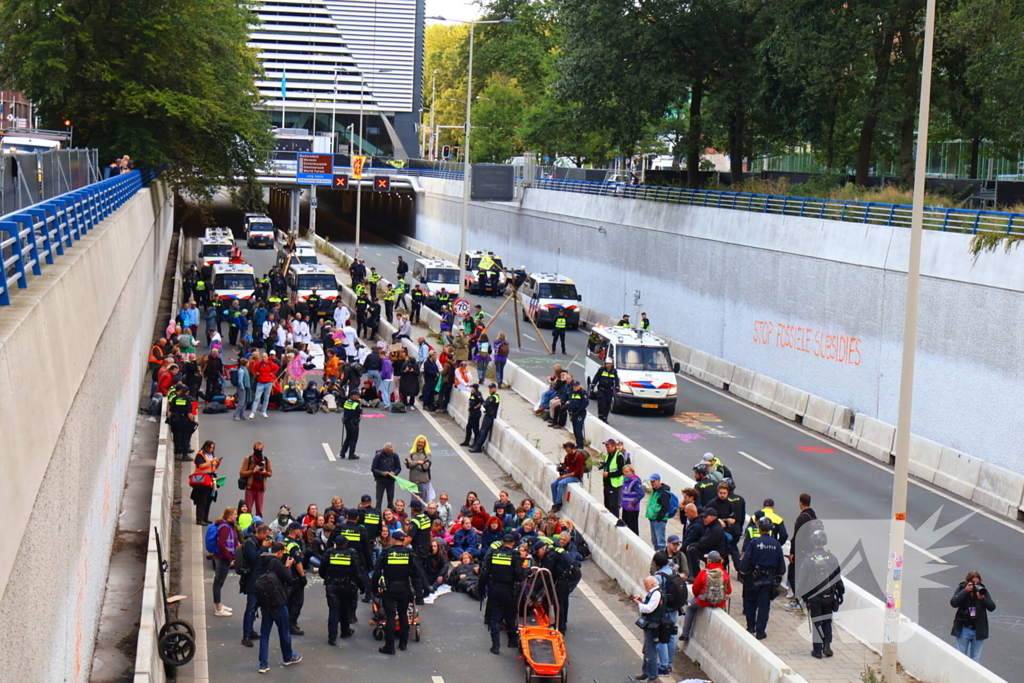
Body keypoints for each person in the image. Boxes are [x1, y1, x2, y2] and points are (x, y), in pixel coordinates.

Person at [372, 530, 427, 654]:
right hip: (404, 588)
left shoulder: (386, 553)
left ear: (393, 539)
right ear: (403, 540)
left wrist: (374, 589)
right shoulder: (408, 554)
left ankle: (389, 646)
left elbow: (376, 573)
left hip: (390, 588)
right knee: (403, 615)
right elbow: (418, 573)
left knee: (390, 616)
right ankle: (403, 643)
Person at [255, 542, 303, 673]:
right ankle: (288, 657)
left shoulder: (262, 560)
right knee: (284, 631)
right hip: (277, 602)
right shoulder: (275, 562)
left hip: (264, 602)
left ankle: (263, 664)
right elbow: (288, 578)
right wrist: (287, 566)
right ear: (280, 552)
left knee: (265, 634)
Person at [798, 529, 846, 658]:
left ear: (813, 542)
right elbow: (838, 578)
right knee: (827, 620)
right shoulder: (832, 558)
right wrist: (840, 593)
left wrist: (802, 597)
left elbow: (802, 580)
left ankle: (817, 650)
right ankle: (827, 646)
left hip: (814, 598)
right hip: (829, 596)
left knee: (817, 622)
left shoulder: (809, 559)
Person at [739, 517, 785, 640]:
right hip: (768, 579)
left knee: (750, 602)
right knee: (764, 606)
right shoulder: (776, 544)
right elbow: (781, 565)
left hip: (753, 577)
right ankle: (760, 631)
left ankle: (750, 626)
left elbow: (746, 559)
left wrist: (742, 572)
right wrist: (778, 577)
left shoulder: (754, 542)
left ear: (759, 528)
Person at [480, 534, 526, 654]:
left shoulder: (493, 554)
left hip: (494, 588)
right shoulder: (515, 556)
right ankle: (512, 641)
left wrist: (480, 590)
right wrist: (527, 572)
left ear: (502, 543)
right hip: (509, 589)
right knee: (510, 615)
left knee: (495, 617)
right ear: (513, 544)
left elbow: (484, 572)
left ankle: (495, 645)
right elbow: (519, 576)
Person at [320, 533, 368, 646]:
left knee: (333, 610)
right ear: (346, 543)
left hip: (332, 585)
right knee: (345, 609)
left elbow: (322, 569)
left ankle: (332, 637)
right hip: (347, 586)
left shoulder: (329, 553)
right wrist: (362, 587)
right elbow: (357, 573)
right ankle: (345, 631)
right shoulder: (351, 554)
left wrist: (327, 578)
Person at [679, 550, 731, 643]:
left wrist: (700, 596)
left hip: (703, 601)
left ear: (710, 561)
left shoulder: (704, 573)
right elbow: (728, 590)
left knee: (690, 608)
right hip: (720, 603)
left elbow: (695, 589)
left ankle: (685, 634)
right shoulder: (724, 574)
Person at [950, 569, 996, 662]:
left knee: (975, 659)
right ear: (968, 582)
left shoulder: (982, 591)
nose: (975, 586)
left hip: (978, 630)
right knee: (960, 657)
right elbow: (954, 603)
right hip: (964, 629)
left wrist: (983, 599)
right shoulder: (962, 589)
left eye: (977, 583)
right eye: (973, 583)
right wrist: (965, 591)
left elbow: (992, 607)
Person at [240, 523, 272, 648]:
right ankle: (246, 635)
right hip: (252, 581)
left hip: (261, 580)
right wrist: (264, 548)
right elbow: (255, 558)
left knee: (257, 608)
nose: (267, 539)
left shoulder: (258, 543)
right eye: (266, 536)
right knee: (251, 608)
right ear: (261, 533)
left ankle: (251, 630)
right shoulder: (250, 543)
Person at [788, 493, 817, 611]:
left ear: (800, 502)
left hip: (801, 552)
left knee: (793, 575)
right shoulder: (813, 517)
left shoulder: (802, 518)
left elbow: (797, 537)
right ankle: (804, 601)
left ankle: (800, 601)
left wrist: (792, 552)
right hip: (810, 550)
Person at [634, 576, 665, 683]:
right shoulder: (654, 593)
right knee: (647, 649)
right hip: (650, 624)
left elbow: (649, 608)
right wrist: (642, 600)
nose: (645, 587)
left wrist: (639, 605)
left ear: (652, 584)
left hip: (653, 625)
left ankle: (652, 676)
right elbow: (650, 604)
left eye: (646, 585)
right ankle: (646, 672)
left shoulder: (656, 594)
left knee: (650, 651)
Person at [211, 507, 238, 617]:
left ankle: (219, 604)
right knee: (218, 582)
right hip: (223, 558)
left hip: (223, 558)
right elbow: (221, 544)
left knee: (219, 582)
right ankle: (218, 608)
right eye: (235, 514)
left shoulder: (227, 526)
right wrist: (229, 557)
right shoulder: (225, 528)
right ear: (229, 515)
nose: (236, 516)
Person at [189, 442, 220, 525]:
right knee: (201, 500)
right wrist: (211, 461)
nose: (212, 450)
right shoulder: (200, 455)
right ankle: (199, 519)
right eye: (210, 448)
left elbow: (212, 467)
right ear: (206, 447)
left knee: (209, 499)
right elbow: (201, 466)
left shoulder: (211, 455)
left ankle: (205, 518)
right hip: (202, 481)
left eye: (213, 448)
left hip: (210, 480)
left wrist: (217, 463)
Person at [239, 442, 273, 517]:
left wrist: (265, 472)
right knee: (248, 509)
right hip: (250, 487)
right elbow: (241, 472)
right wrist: (252, 471)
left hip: (260, 489)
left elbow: (270, 473)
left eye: (260, 449)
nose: (259, 451)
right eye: (257, 449)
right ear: (254, 449)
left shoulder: (266, 459)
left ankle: (258, 525)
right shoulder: (248, 459)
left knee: (259, 511)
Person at [550, 442, 585, 512]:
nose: (568, 452)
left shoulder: (578, 456)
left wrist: (565, 476)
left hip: (575, 476)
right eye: (566, 451)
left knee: (561, 483)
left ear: (573, 449)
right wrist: (560, 467)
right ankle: (555, 502)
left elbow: (578, 471)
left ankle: (558, 503)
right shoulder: (567, 456)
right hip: (568, 474)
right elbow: (565, 464)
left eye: (569, 451)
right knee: (553, 484)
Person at [469, 383, 501, 453]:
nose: (490, 390)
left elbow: (486, 404)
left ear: (495, 389)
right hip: (487, 415)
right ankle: (476, 445)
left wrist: (485, 403)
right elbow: (485, 403)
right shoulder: (491, 396)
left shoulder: (494, 397)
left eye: (491, 388)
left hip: (490, 416)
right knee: (481, 431)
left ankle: (478, 447)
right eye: (489, 388)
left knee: (483, 432)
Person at [645, 473, 673, 552]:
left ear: (658, 481)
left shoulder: (664, 493)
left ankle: (662, 557)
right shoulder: (655, 491)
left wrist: (659, 517)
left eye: (653, 481)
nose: (652, 483)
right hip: (653, 519)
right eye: (651, 482)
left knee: (660, 542)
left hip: (659, 521)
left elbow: (665, 507)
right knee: (655, 541)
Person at [168, 383, 196, 459]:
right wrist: (193, 421)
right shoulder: (188, 399)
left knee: (177, 435)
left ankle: (178, 450)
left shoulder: (175, 398)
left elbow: (170, 410)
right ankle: (185, 455)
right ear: (187, 392)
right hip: (185, 421)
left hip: (176, 420)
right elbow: (189, 413)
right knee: (186, 437)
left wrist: (168, 419)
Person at [371, 443, 402, 510]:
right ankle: (378, 515)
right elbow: (373, 469)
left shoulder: (394, 455)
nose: (389, 453)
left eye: (390, 452)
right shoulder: (378, 455)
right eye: (387, 452)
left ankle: (390, 515)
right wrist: (382, 473)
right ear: (384, 449)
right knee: (379, 501)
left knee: (390, 502)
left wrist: (394, 473)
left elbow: (398, 468)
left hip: (390, 481)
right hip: (380, 481)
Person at [249, 353, 279, 419]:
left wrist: (272, 373)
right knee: (257, 398)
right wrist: (256, 372)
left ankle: (264, 411)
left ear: (267, 357)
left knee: (266, 398)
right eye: (262, 357)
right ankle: (253, 412)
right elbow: (253, 367)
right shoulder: (259, 364)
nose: (263, 358)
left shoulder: (271, 364)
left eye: (264, 357)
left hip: (268, 383)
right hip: (260, 383)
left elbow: (277, 368)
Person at [600, 439, 625, 518]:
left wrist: (609, 474)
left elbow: (621, 471)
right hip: (607, 483)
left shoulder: (619, 456)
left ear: (614, 446)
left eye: (609, 447)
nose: (607, 449)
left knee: (613, 506)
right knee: (607, 504)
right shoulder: (608, 455)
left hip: (615, 485)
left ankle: (615, 520)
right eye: (606, 447)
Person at [406, 435, 434, 503]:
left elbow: (425, 467)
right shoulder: (412, 453)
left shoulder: (427, 454)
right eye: (419, 442)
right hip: (413, 481)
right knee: (414, 502)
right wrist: (418, 462)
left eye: (422, 442)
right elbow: (408, 465)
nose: (420, 444)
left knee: (423, 502)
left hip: (423, 482)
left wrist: (412, 463)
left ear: (424, 444)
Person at [620, 464, 645, 536]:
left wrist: (633, 503)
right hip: (625, 507)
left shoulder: (635, 481)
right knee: (625, 525)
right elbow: (624, 493)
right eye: (624, 472)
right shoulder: (625, 480)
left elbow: (641, 494)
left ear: (632, 472)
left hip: (632, 508)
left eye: (627, 472)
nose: (625, 473)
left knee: (633, 527)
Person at [338, 392, 362, 460]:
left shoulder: (347, 401)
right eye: (357, 395)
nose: (358, 397)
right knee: (353, 438)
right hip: (353, 422)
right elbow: (361, 411)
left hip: (346, 421)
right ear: (353, 396)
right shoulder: (356, 403)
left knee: (348, 437)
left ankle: (342, 452)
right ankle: (351, 454)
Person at [566, 380, 589, 449]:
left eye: (576, 386)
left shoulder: (583, 393)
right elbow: (571, 401)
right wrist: (569, 410)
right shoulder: (573, 393)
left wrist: (579, 411)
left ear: (579, 386)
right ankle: (577, 444)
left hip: (580, 414)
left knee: (578, 430)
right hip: (573, 413)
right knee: (575, 430)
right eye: (574, 386)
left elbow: (585, 403)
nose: (575, 388)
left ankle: (580, 446)